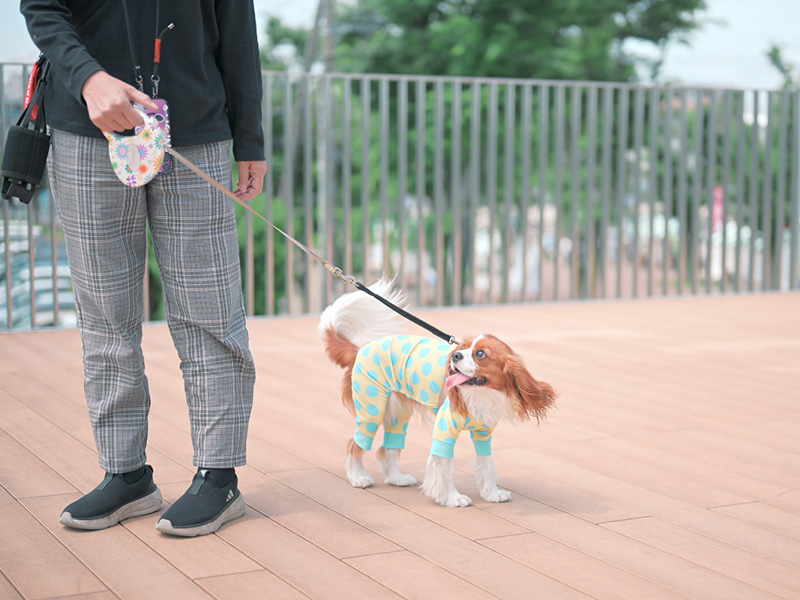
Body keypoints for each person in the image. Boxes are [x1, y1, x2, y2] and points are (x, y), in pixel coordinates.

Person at [21, 0, 266, 537]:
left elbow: (238, 32)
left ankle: (218, 476)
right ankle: (126, 474)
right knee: (106, 314)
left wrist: (250, 138)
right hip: (87, 129)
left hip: (198, 131)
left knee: (210, 308)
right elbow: (40, 6)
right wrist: (88, 79)